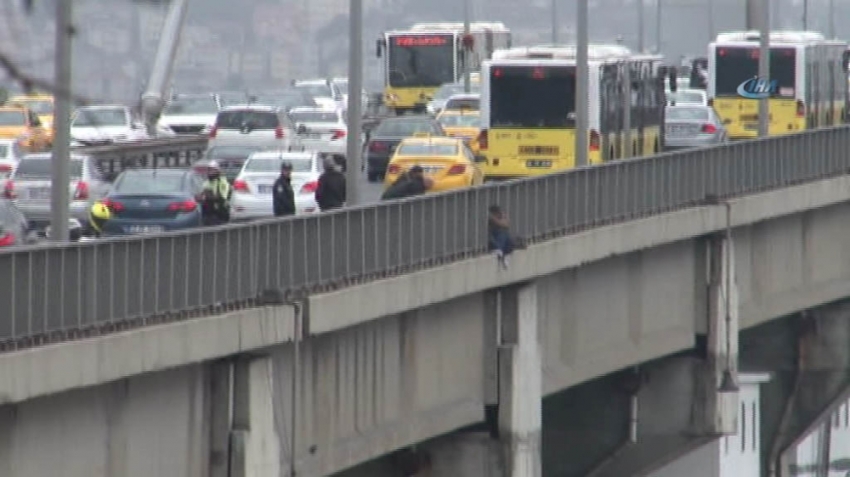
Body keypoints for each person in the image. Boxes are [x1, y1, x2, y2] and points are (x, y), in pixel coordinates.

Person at [488, 204, 523, 269]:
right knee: (503, 233)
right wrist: (500, 218)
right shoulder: (491, 219)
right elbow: (502, 224)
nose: (500, 213)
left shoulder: (498, 218)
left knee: (506, 235)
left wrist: (504, 217)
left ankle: (504, 253)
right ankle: (500, 250)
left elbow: (507, 224)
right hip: (493, 241)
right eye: (497, 212)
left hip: (502, 240)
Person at [198, 161, 232, 225]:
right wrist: (200, 197)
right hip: (208, 213)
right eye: (209, 170)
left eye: (212, 170)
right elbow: (202, 195)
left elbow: (222, 197)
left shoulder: (223, 182)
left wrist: (209, 196)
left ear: (217, 171)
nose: (210, 172)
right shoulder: (207, 182)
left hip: (221, 213)